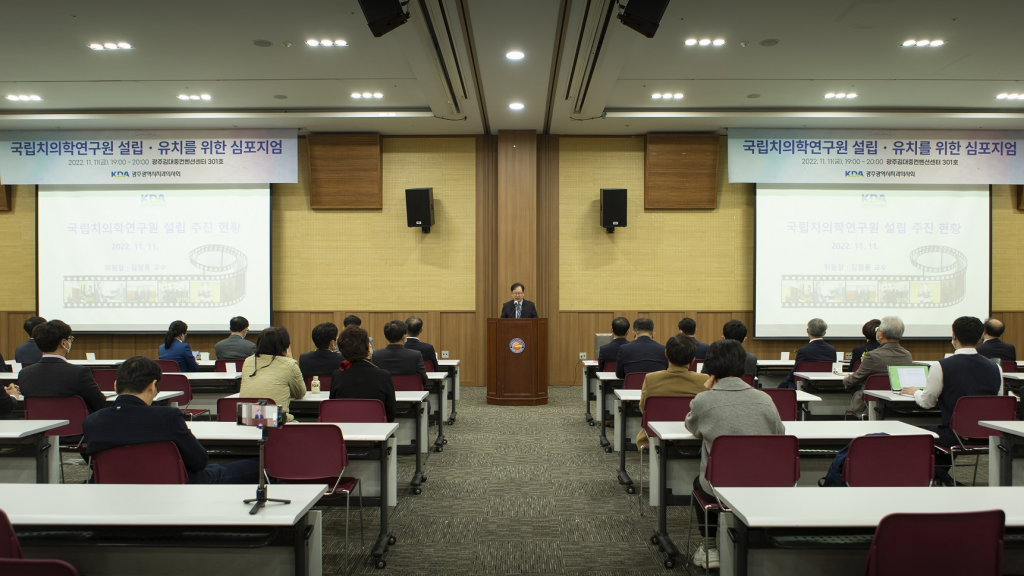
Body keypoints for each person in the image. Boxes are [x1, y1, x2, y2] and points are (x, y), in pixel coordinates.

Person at [684, 339, 785, 569]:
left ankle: (709, 547)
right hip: (766, 482)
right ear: (742, 364)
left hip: (718, 488)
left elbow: (692, 428)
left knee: (699, 482)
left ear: (709, 366)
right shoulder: (764, 398)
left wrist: (706, 394)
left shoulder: (704, 400)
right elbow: (780, 434)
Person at [82, 356, 259, 484]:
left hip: (115, 490)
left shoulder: (92, 422)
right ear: (152, 386)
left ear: (115, 386)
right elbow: (199, 461)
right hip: (176, 487)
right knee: (253, 466)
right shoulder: (167, 417)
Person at [901, 316, 1001, 485]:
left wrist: (916, 392)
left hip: (955, 435)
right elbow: (997, 403)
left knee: (910, 435)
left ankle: (943, 478)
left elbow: (927, 403)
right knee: (936, 443)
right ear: (980, 338)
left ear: (953, 336)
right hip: (989, 435)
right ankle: (942, 477)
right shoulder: (996, 368)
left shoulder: (941, 366)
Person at [636, 334, 708, 448]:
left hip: (654, 436)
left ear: (665, 354)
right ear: (693, 359)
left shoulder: (651, 379)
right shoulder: (704, 380)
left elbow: (643, 407)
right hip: (693, 435)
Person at [18, 320, 107, 412]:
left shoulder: (24, 374)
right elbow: (99, 403)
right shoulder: (79, 372)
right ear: (64, 343)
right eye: (70, 339)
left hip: (37, 425)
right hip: (75, 424)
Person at [844, 316, 913, 417]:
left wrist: (846, 379)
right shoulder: (907, 355)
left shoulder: (873, 355)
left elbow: (854, 380)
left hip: (873, 403)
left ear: (880, 335)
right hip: (899, 401)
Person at [330, 325, 397, 422]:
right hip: (377, 431)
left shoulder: (338, 375)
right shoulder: (383, 375)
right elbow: (391, 414)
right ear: (367, 346)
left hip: (345, 430)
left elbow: (333, 408)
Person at [240, 327, 306, 421]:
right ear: (285, 346)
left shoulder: (248, 361)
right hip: (276, 421)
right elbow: (300, 393)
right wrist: (289, 359)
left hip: (247, 419)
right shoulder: (289, 364)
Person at [779, 318, 836, 389]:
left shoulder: (803, 350)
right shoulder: (832, 350)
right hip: (826, 385)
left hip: (804, 385)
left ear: (807, 331)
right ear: (824, 333)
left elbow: (796, 372)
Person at [371, 320, 428, 388]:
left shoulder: (376, 355)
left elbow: (374, 378)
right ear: (404, 337)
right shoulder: (415, 355)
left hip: (385, 395)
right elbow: (423, 379)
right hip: (411, 394)